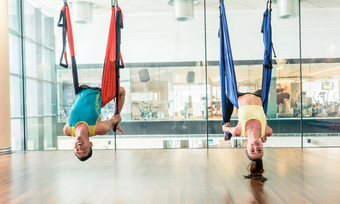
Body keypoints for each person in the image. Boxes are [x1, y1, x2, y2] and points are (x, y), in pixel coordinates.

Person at [63, 84, 126, 161]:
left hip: (82, 90)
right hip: (99, 94)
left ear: (73, 146)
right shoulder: (99, 129)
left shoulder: (67, 130)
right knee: (122, 91)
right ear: (90, 144)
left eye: (77, 150)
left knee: (83, 85)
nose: (80, 147)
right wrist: (115, 122)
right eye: (84, 150)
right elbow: (116, 119)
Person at [222, 90, 272, 182]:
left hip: (239, 96)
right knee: (267, 92)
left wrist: (226, 129)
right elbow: (263, 117)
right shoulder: (267, 131)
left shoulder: (238, 131)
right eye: (259, 150)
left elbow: (224, 128)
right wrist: (262, 135)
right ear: (262, 146)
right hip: (259, 95)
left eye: (252, 150)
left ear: (246, 147)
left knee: (226, 95)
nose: (255, 147)